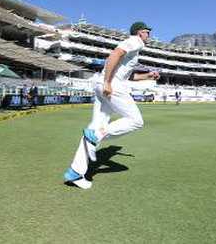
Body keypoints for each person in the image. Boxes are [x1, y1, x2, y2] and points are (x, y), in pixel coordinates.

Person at [63, 21, 160, 189]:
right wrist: (108, 82)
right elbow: (114, 55)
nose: (148, 35)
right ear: (139, 33)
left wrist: (148, 76)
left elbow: (128, 76)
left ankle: (75, 172)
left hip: (104, 84)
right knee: (136, 121)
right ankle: (98, 136)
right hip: (111, 85)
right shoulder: (135, 41)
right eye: (146, 32)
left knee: (93, 129)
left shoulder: (135, 49)